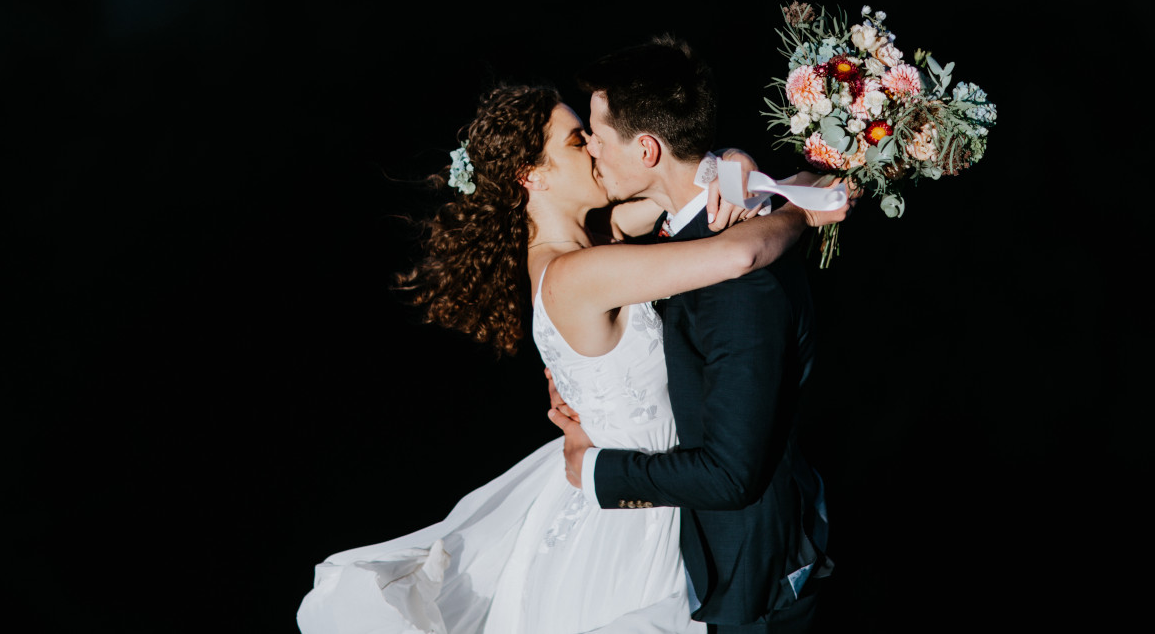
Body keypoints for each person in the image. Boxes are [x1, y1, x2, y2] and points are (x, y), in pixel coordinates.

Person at [296, 80, 846, 634]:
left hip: (658, 489)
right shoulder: (575, 275)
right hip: (636, 522)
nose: (594, 147)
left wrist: (731, 161)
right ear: (531, 176)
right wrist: (803, 204)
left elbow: (670, 187)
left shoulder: (591, 239)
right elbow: (741, 251)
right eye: (576, 140)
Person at [545, 37, 837, 633]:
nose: (592, 148)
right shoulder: (689, 233)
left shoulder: (739, 280)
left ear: (647, 148)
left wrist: (593, 468)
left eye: (596, 134)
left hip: (750, 581)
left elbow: (731, 475)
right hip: (692, 563)